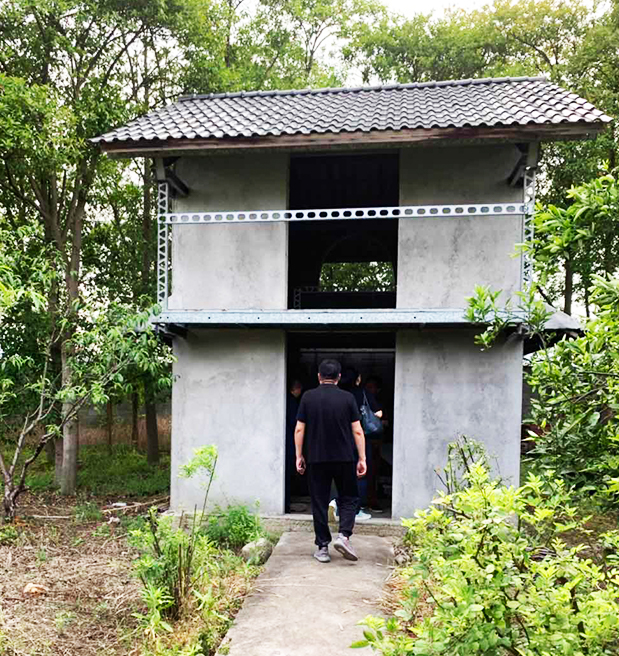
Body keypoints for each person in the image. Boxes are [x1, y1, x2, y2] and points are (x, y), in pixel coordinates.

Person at [294, 359, 367, 563]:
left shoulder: (308, 397)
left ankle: (323, 548)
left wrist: (299, 455)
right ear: (339, 377)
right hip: (344, 458)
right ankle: (344, 536)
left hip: (316, 458)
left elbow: (299, 428)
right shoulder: (348, 398)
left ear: (319, 376)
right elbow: (357, 430)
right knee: (349, 497)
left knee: (319, 501)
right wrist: (362, 458)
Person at [339, 368, 382, 519]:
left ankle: (338, 506)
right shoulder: (363, 393)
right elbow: (378, 413)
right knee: (360, 473)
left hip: (339, 439)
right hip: (360, 439)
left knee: (339, 474)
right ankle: (356, 509)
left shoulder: (339, 394)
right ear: (357, 379)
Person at [285, 378, 303, 513]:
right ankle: (286, 503)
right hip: (290, 441)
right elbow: (296, 424)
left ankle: (286, 503)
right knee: (288, 472)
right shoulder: (292, 402)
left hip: (287, 439)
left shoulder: (286, 400)